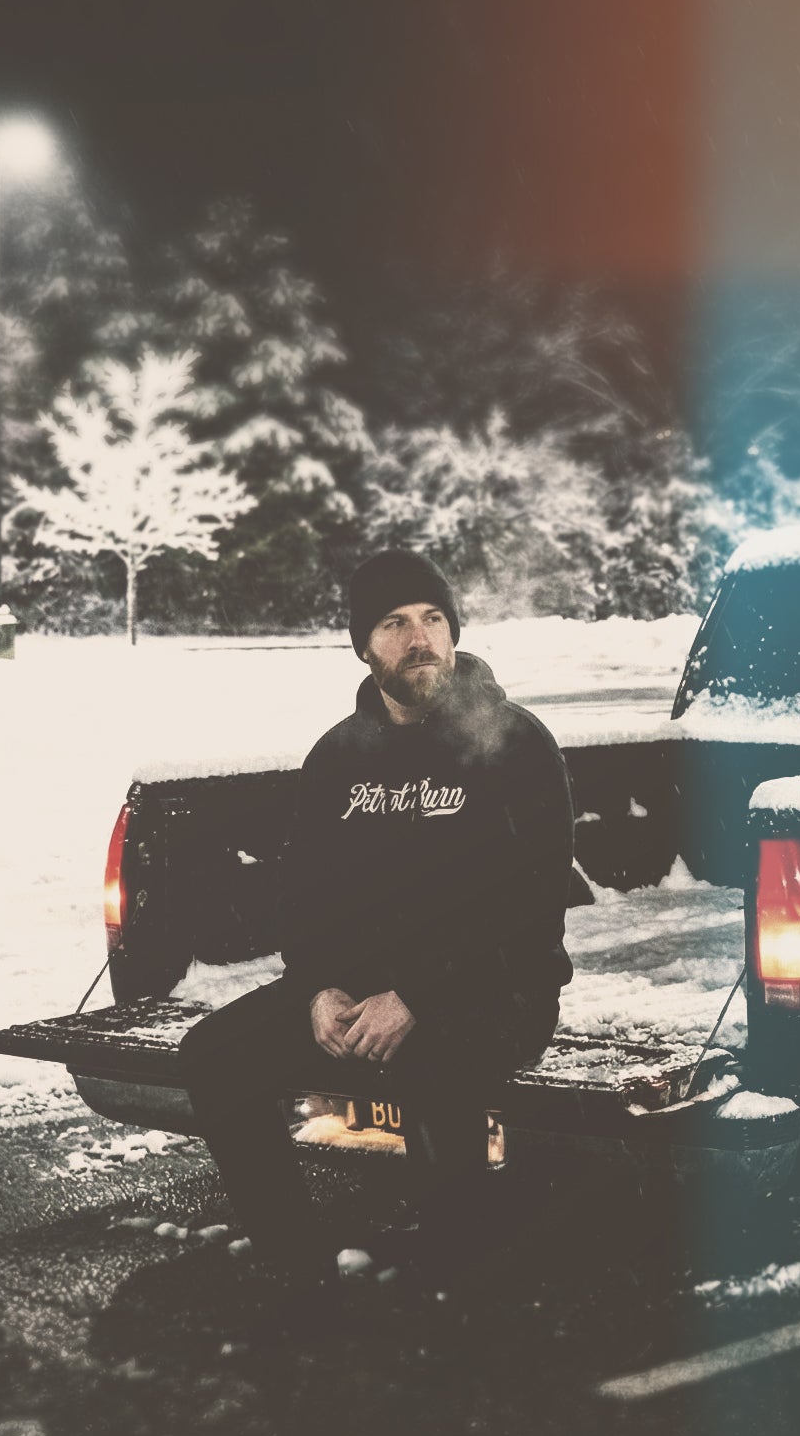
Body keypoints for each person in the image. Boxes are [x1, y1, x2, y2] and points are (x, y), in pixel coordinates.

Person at [178, 548, 574, 1304]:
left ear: (454, 633)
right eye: (395, 624)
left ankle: (455, 1276)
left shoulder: (516, 743)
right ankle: (296, 1256)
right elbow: (304, 900)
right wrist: (317, 991)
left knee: (432, 1065)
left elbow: (528, 906)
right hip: (360, 993)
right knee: (213, 1057)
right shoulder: (339, 756)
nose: (419, 638)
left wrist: (418, 995)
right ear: (364, 647)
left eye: (432, 620)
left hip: (495, 993)